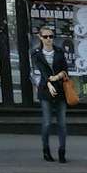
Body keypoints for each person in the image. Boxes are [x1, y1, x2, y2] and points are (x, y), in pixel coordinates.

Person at [32, 25, 69, 163]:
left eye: (51, 36)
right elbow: (42, 71)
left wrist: (57, 77)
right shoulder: (37, 53)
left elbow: (65, 69)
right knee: (47, 123)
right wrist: (49, 82)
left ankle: (62, 150)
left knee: (62, 123)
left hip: (60, 89)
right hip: (45, 90)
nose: (48, 39)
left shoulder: (59, 52)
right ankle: (46, 149)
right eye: (45, 36)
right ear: (40, 38)